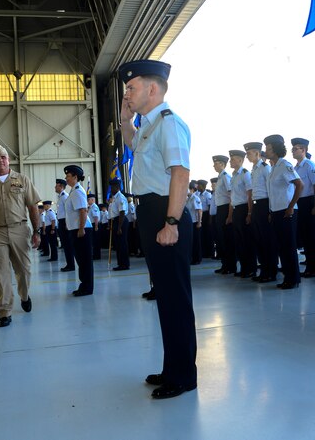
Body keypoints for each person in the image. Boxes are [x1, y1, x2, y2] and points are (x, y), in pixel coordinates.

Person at [119, 59, 197, 399]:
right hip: (152, 212)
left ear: (153, 89)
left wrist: (171, 223)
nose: (127, 93)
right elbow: (134, 145)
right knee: (165, 297)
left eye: (131, 88)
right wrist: (124, 120)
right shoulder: (148, 125)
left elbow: (180, 173)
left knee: (175, 299)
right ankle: (172, 368)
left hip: (167, 215)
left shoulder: (168, 123)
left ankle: (183, 376)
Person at [0, 145, 41, 327]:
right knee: (0, 273)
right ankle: (4, 312)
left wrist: (37, 231)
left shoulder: (22, 180)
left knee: (24, 270)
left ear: (8, 160)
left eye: (3, 157)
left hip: (20, 229)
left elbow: (33, 206)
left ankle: (24, 296)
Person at [264, 135, 304, 289]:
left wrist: (291, 206)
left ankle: (293, 279)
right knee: (281, 246)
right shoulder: (273, 168)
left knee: (288, 246)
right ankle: (289, 276)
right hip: (276, 212)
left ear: (275, 149)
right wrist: (270, 211)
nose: (266, 151)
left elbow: (300, 184)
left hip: (286, 212)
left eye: (268, 148)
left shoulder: (284, 165)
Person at [290, 137, 315, 279]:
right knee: (305, 236)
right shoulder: (296, 168)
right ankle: (310, 266)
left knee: (312, 237)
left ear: (303, 150)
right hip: (301, 203)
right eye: (292, 149)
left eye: (295, 148)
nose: (292, 151)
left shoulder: (310, 165)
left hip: (310, 202)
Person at [244, 142, 277, 283]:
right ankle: (264, 270)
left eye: (249, 153)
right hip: (257, 206)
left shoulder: (265, 168)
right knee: (259, 240)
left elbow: (271, 190)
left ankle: (271, 272)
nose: (247, 156)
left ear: (257, 153)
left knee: (267, 240)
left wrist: (270, 209)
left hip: (265, 204)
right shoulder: (254, 169)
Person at [63, 165, 94, 296]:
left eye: (68, 176)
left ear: (75, 177)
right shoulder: (73, 191)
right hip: (76, 229)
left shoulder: (77, 191)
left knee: (84, 260)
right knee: (81, 260)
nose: (66, 178)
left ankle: (87, 288)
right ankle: (84, 285)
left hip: (81, 230)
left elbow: (83, 211)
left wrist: (81, 229)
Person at [228, 149, 256, 278]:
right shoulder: (233, 175)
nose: (230, 161)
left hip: (244, 208)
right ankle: (244, 267)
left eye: (232, 159)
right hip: (236, 209)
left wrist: (249, 213)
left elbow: (249, 194)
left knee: (247, 241)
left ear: (240, 160)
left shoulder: (245, 174)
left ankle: (251, 268)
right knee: (239, 241)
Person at [213, 155, 236, 274]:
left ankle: (231, 266)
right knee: (221, 239)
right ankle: (225, 264)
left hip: (226, 209)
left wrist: (230, 215)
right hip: (220, 209)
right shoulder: (220, 177)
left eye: (216, 164)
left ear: (222, 164)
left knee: (227, 239)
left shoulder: (226, 177)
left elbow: (231, 194)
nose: (214, 166)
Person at [108, 179, 130, 271]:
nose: (111, 189)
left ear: (117, 187)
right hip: (116, 221)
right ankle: (120, 263)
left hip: (121, 221)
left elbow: (122, 212)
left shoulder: (120, 197)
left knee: (122, 244)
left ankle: (124, 264)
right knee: (118, 244)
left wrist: (119, 227)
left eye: (112, 187)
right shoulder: (114, 198)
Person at [55, 178, 75, 272]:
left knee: (68, 245)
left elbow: (68, 211)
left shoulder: (64, 196)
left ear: (61, 186)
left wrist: (67, 223)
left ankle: (71, 265)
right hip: (61, 222)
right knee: (65, 244)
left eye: (56, 185)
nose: (55, 187)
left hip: (65, 222)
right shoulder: (60, 197)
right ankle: (69, 264)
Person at [196, 180, 214, 260]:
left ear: (203, 186)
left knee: (208, 235)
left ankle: (210, 253)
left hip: (207, 215)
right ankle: (203, 252)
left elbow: (210, 207)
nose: (197, 187)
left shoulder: (208, 195)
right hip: (200, 216)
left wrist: (210, 219)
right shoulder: (198, 194)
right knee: (202, 235)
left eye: (199, 185)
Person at [186, 181, 203, 265]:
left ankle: (197, 259)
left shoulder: (195, 198)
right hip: (190, 223)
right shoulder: (188, 199)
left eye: (187, 189)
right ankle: (192, 258)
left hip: (195, 222)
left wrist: (199, 222)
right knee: (191, 241)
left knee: (196, 241)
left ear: (191, 189)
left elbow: (199, 211)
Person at [87, 194, 102, 260]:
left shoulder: (94, 207)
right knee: (93, 240)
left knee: (96, 241)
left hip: (94, 224)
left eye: (88, 200)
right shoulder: (90, 207)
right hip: (92, 224)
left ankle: (97, 255)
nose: (87, 201)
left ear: (92, 200)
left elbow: (96, 217)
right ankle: (95, 254)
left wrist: (96, 226)